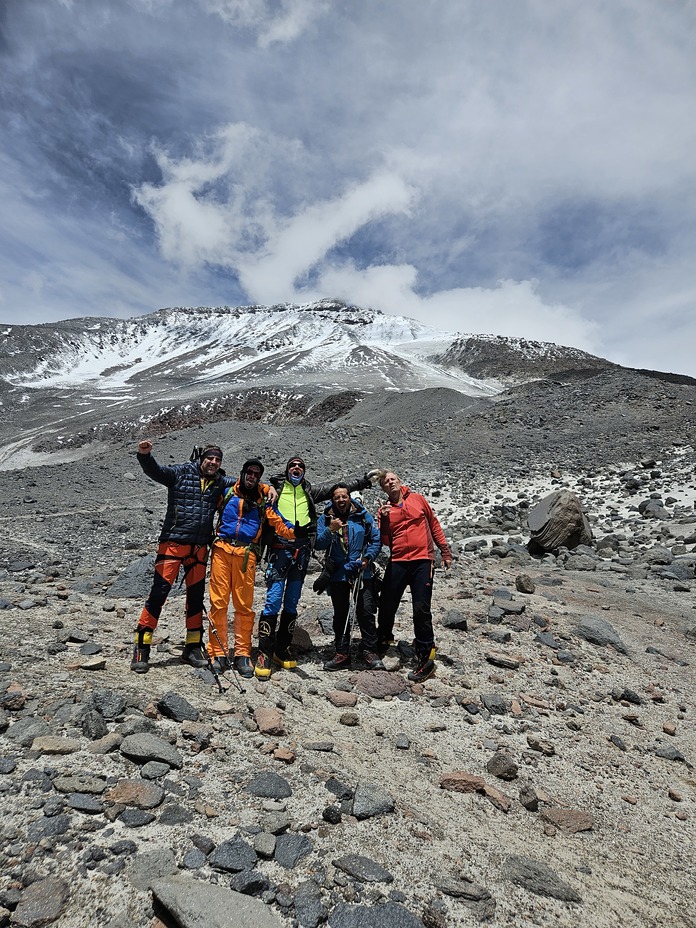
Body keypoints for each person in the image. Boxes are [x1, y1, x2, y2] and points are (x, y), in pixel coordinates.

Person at [254, 456, 383, 679]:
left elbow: (336, 489)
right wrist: (266, 488)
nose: (296, 468)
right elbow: (250, 486)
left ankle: (282, 649)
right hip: (280, 550)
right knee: (273, 600)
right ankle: (264, 653)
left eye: (301, 466)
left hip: (301, 553)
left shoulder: (309, 492)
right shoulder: (274, 489)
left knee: (293, 602)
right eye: (292, 466)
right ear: (286, 471)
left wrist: (362, 481)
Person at [131, 439, 235, 674]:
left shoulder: (219, 481)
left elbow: (242, 485)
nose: (213, 463)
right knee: (158, 595)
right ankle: (141, 646)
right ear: (201, 458)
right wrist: (144, 455)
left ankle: (192, 647)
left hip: (199, 548)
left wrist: (267, 488)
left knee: (196, 599)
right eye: (210, 458)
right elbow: (156, 472)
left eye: (218, 460)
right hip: (172, 545)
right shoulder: (180, 472)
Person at [207, 458, 294, 678]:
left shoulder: (264, 499)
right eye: (250, 472)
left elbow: (278, 522)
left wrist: (297, 532)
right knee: (218, 603)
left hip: (246, 554)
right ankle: (217, 652)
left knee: (244, 605)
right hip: (221, 550)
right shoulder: (227, 492)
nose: (252, 476)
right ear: (243, 473)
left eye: (257, 474)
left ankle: (242, 653)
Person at [376, 471, 452, 683]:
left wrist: (444, 552)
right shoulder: (384, 509)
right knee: (387, 602)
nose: (389, 482)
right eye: (385, 482)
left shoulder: (418, 499)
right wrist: (383, 520)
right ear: (383, 488)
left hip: (422, 560)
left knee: (421, 607)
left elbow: (434, 524)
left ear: (400, 482)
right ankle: (384, 638)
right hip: (399, 560)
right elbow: (385, 541)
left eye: (392, 479)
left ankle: (426, 655)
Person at [314, 483, 384, 670]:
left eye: (344, 496)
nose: (341, 500)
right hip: (338, 573)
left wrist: (367, 559)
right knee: (341, 613)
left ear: (349, 497)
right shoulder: (326, 518)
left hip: (362, 570)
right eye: (337, 497)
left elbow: (375, 540)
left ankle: (370, 651)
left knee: (366, 611)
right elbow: (318, 544)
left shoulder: (362, 516)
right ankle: (342, 653)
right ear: (332, 500)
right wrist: (331, 530)